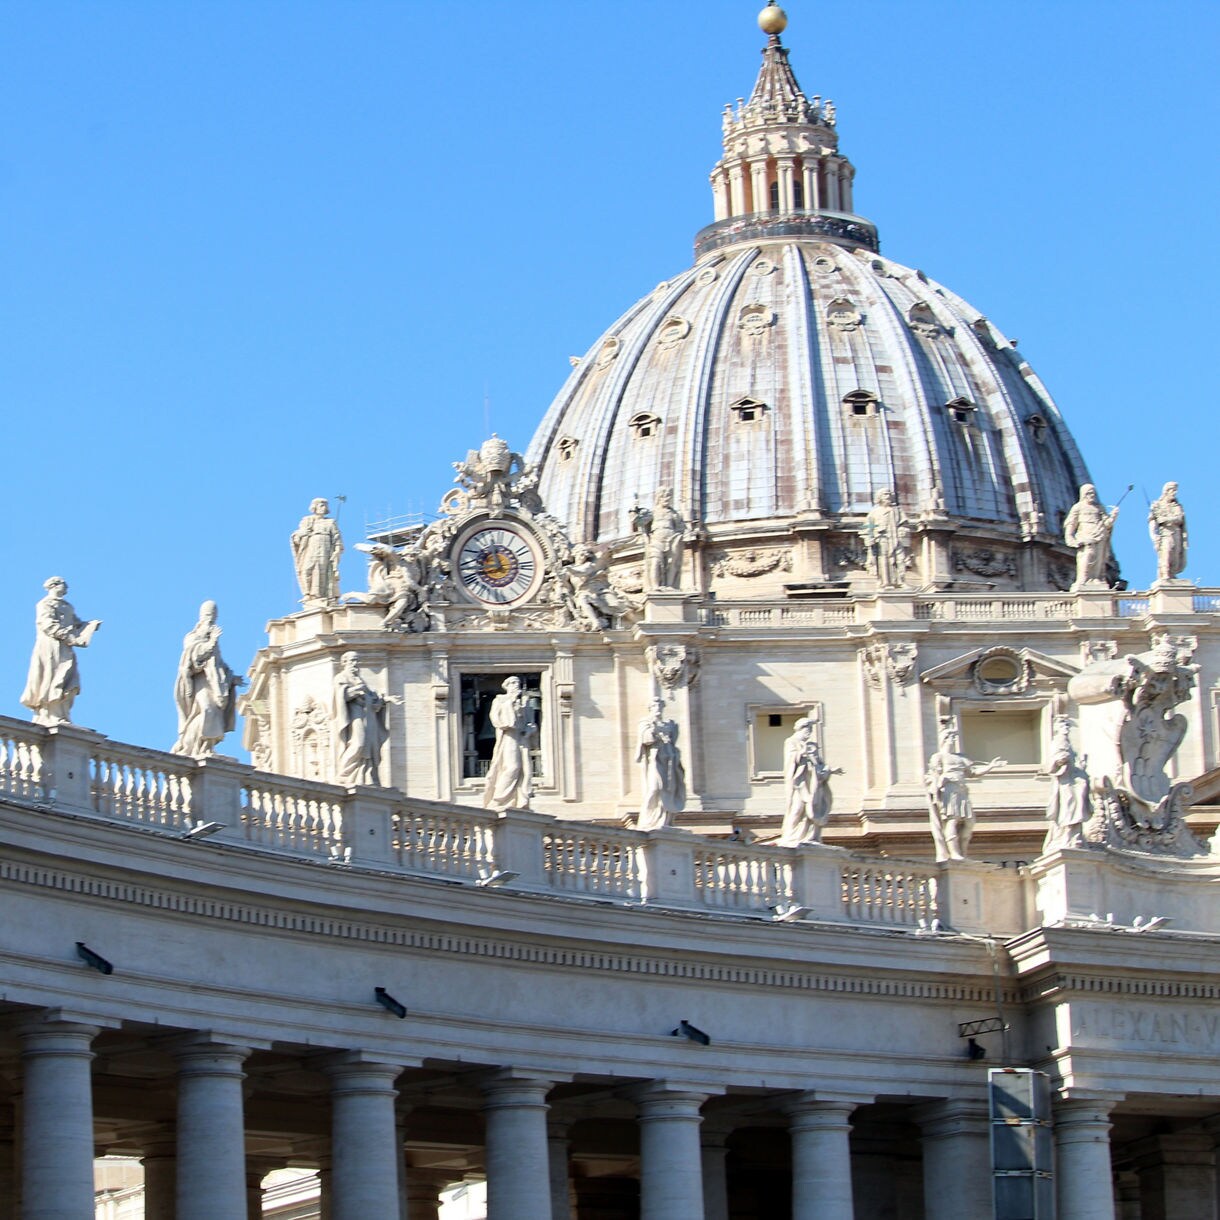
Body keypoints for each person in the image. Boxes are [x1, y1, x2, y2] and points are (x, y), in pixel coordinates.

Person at [21, 577, 101, 726]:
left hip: (65, 646)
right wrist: (69, 636)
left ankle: (61, 712)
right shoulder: (45, 604)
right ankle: (50, 712)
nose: (67, 588)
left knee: (69, 677)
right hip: (50, 646)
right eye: (64, 585)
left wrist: (89, 626)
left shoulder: (68, 606)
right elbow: (47, 624)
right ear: (54, 586)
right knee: (52, 676)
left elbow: (76, 624)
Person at [924, 724, 1004, 862]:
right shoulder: (939, 757)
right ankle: (954, 853)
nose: (953, 739)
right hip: (949, 790)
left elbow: (973, 773)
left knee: (969, 822)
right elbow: (933, 775)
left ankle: (962, 852)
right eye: (951, 737)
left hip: (961, 790)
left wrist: (991, 766)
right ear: (944, 738)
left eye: (954, 737)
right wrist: (938, 784)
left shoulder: (961, 758)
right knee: (952, 820)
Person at [172, 601, 241, 756]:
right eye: (208, 615)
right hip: (200, 683)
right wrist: (211, 642)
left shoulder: (213, 638)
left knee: (214, 713)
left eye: (214, 615)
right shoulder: (192, 636)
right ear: (201, 616)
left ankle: (206, 747)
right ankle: (191, 747)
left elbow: (218, 663)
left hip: (214, 683)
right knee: (206, 710)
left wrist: (231, 677)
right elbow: (195, 655)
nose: (211, 619)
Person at [777, 719, 840, 845]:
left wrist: (831, 770)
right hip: (799, 784)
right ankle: (791, 836)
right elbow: (790, 761)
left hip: (811, 785)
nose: (809, 733)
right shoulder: (791, 742)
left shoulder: (811, 746)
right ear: (801, 728)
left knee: (811, 809)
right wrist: (802, 752)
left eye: (811, 730)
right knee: (797, 808)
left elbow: (819, 765)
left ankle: (808, 836)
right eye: (808, 729)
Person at [331, 651, 389, 786]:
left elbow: (372, 700)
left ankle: (366, 777)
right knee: (358, 743)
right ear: (344, 662)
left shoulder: (360, 680)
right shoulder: (341, 677)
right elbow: (342, 695)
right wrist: (357, 689)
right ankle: (345, 774)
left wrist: (383, 701)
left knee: (370, 746)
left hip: (368, 716)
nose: (355, 664)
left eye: (357, 661)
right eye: (352, 661)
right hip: (355, 716)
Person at [482, 677, 536, 810]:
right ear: (506, 686)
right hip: (509, 736)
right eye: (512, 683)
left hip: (522, 738)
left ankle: (517, 799)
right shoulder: (500, 700)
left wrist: (529, 730)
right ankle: (499, 799)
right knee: (512, 767)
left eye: (517, 683)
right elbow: (495, 718)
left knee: (524, 770)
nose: (516, 685)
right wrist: (511, 704)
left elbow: (532, 723)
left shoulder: (525, 701)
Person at [635, 697, 687, 830]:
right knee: (654, 788)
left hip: (670, 760)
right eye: (655, 706)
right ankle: (648, 820)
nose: (658, 709)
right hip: (656, 760)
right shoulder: (646, 723)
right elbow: (646, 740)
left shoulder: (669, 724)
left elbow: (673, 740)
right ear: (651, 709)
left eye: (660, 706)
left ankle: (666, 820)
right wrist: (653, 730)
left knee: (669, 788)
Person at [1042, 716, 1091, 853]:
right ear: (1057, 728)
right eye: (1063, 725)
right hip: (1065, 783)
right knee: (1068, 809)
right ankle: (1067, 836)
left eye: (1068, 726)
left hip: (1072, 781)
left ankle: (1072, 836)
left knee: (1074, 807)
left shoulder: (1067, 742)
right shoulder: (1057, 741)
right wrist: (1060, 761)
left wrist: (1080, 766)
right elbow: (1052, 764)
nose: (1066, 728)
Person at [631, 487, 686, 591]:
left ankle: (670, 586)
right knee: (655, 562)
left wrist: (680, 536)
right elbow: (639, 522)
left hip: (672, 539)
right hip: (656, 540)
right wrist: (634, 510)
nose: (667, 499)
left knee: (672, 563)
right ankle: (655, 586)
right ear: (659, 498)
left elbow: (681, 527)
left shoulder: (674, 514)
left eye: (669, 496)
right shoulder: (653, 512)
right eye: (664, 496)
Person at [1064, 484, 1118, 588]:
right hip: (1085, 535)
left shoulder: (1099, 508)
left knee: (1098, 559)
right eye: (1089, 493)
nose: (1092, 495)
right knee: (1087, 556)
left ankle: (1096, 578)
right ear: (1084, 494)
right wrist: (1070, 537)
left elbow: (1106, 523)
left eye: (1093, 493)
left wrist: (1114, 516)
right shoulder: (1078, 507)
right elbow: (1071, 523)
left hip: (1099, 534)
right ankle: (1084, 578)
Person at [292, 497, 343, 604]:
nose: (324, 508)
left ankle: (321, 595)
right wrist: (299, 536)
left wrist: (337, 549)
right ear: (315, 507)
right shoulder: (307, 520)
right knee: (307, 569)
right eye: (321, 505)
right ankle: (308, 593)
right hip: (311, 545)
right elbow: (298, 535)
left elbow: (337, 538)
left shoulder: (330, 522)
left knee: (323, 570)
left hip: (325, 546)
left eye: (325, 506)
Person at [861, 489, 909, 588]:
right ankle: (886, 582)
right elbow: (868, 528)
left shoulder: (897, 510)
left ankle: (901, 581)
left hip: (896, 539)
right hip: (882, 539)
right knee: (884, 560)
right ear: (879, 497)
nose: (888, 496)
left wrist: (903, 530)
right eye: (885, 494)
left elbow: (904, 524)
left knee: (900, 560)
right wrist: (870, 538)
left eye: (889, 494)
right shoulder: (874, 512)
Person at [1148, 481, 1187, 583]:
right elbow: (1152, 522)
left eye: (1175, 491)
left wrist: (1165, 519)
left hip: (1177, 533)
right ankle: (1165, 574)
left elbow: (1179, 518)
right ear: (1166, 491)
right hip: (1165, 533)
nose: (1174, 493)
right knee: (1167, 552)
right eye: (1173, 490)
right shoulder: (1157, 506)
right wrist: (1154, 536)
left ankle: (1172, 574)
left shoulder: (1177, 506)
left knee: (1176, 553)